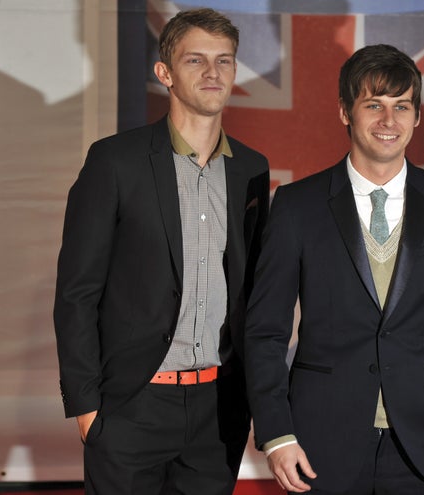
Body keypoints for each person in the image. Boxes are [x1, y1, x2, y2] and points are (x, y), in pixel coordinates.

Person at [243, 44, 424, 495]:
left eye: (401, 106)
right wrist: (276, 431)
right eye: (373, 105)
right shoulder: (297, 206)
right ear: (344, 112)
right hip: (319, 443)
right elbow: (265, 331)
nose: (388, 121)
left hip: (421, 443)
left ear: (416, 115)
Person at [53, 8, 269, 494]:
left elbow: (253, 292)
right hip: (131, 405)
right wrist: (87, 405)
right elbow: (77, 292)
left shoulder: (251, 169)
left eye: (224, 60)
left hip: (218, 408)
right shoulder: (114, 161)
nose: (213, 73)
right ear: (165, 73)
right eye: (195, 60)